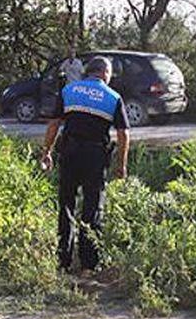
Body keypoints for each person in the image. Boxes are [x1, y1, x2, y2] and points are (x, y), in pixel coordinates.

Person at [40, 56, 130, 273]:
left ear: (87, 72)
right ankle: (89, 264)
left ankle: (63, 260)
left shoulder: (69, 90)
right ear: (105, 74)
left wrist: (47, 152)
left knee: (67, 205)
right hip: (95, 157)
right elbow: (123, 133)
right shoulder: (113, 97)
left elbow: (54, 123)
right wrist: (121, 164)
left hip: (69, 153)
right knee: (92, 208)